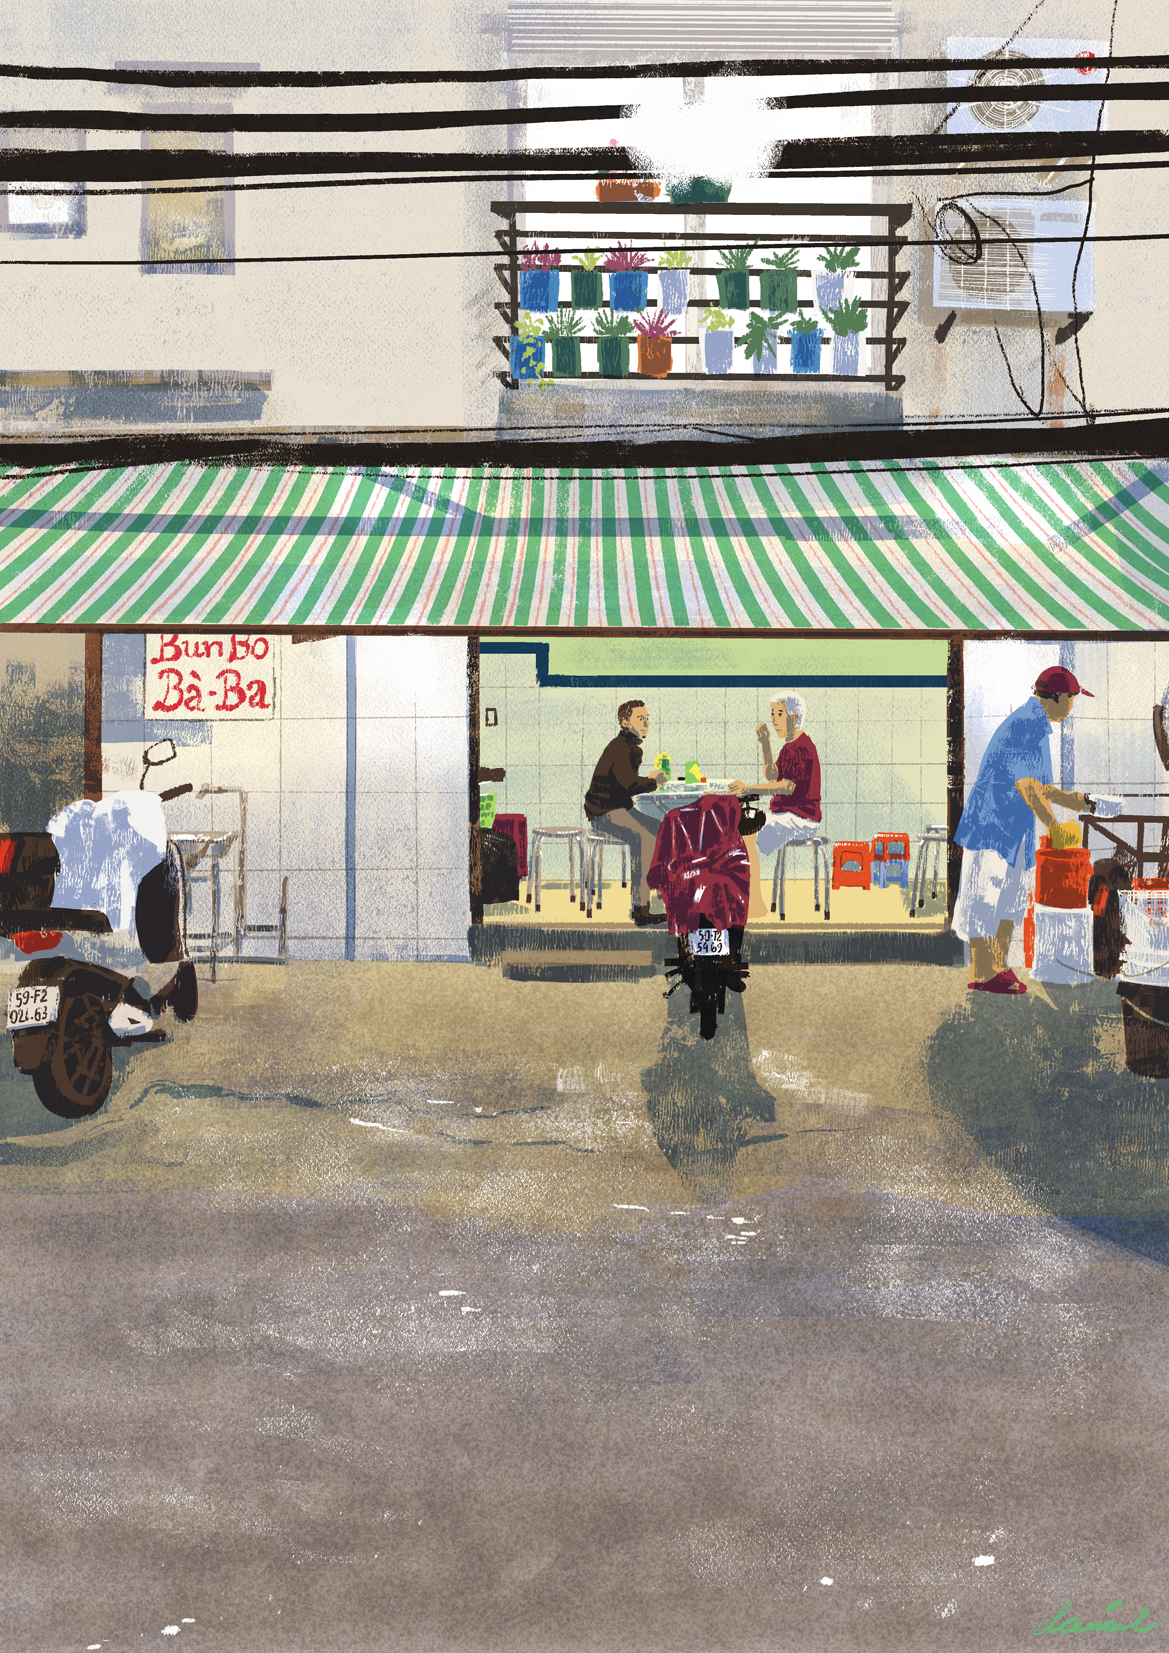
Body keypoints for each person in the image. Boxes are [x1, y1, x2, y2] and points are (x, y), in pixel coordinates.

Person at [954, 665, 1096, 995]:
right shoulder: (1025, 724)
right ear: (1056, 697)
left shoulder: (1038, 727)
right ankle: (982, 973)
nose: (1072, 706)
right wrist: (1055, 826)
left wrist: (1075, 800)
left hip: (1014, 829)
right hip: (993, 826)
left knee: (1010, 899)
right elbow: (1027, 786)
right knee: (986, 899)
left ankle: (996, 968)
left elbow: (1040, 787)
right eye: (1071, 698)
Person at [584, 699, 668, 926]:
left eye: (647, 719)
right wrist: (653, 781)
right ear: (624, 722)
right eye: (640, 719)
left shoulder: (630, 746)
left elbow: (626, 785)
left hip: (619, 807)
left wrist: (650, 781)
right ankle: (641, 910)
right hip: (603, 811)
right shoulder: (622, 748)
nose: (646, 723)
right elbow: (630, 784)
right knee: (644, 838)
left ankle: (663, 893)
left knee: (663, 829)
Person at [729, 691, 822, 859]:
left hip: (802, 819)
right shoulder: (788, 747)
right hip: (788, 816)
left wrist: (747, 789)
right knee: (743, 830)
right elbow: (772, 776)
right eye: (772, 715)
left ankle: (751, 877)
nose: (774, 720)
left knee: (747, 835)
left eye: (779, 714)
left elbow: (786, 787)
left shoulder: (802, 747)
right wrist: (765, 743)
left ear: (794, 717)